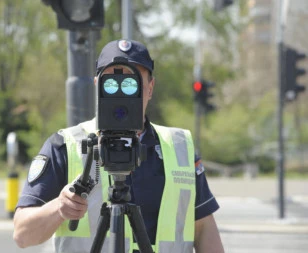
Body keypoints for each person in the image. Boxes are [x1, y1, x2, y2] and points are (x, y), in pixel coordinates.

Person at [13, 39, 224, 253]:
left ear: (150, 88)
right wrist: (58, 208)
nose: (121, 94)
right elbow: (22, 234)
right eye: (111, 84)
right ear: (97, 86)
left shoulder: (180, 147)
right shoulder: (64, 146)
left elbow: (204, 228)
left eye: (132, 84)